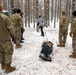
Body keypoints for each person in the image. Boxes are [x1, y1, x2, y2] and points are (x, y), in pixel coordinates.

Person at [0, 4, 16, 73]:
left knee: (1, 52)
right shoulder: (4, 18)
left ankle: (3, 65)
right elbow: (11, 29)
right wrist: (13, 37)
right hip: (5, 39)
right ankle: (8, 67)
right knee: (8, 52)